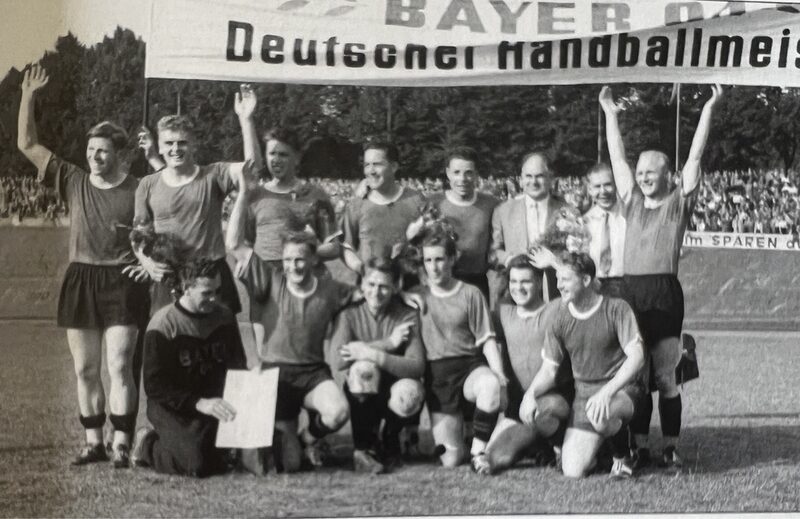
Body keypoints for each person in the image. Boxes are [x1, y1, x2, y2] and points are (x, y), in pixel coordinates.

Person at [17, 63, 148, 467]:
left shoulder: (136, 187)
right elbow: (26, 144)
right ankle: (93, 441)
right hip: (81, 277)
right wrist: (28, 96)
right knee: (86, 368)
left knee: (119, 365)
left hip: (122, 279)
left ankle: (121, 442)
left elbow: (149, 234)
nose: (94, 157)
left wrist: (147, 261)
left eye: (102, 151)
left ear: (117, 154)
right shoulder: (72, 179)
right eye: (91, 150)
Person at [600, 84, 722, 469]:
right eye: (641, 172)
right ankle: (637, 444)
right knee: (634, 378)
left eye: (652, 172)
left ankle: (669, 445)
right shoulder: (631, 200)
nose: (644, 177)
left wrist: (707, 109)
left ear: (669, 175)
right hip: (629, 292)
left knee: (666, 376)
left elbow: (695, 155)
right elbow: (617, 157)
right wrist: (609, 112)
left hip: (664, 294)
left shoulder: (678, 203)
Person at [228, 179, 353, 471]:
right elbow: (234, 244)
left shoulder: (330, 289)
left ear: (312, 259)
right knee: (289, 464)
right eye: (287, 260)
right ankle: (288, 441)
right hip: (276, 376)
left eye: (300, 260)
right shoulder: (270, 281)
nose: (293, 266)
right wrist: (244, 196)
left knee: (338, 413)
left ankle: (309, 436)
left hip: (312, 374)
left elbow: (370, 293)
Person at [133, 93, 256, 313]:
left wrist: (246, 120)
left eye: (182, 143)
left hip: (210, 273)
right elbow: (139, 236)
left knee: (217, 345)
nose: (175, 149)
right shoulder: (147, 184)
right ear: (159, 147)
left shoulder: (213, 175)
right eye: (169, 143)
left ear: (194, 145)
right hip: (169, 276)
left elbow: (251, 168)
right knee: (169, 343)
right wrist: (147, 263)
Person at [529, 252, 645, 478]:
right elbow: (550, 368)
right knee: (572, 470)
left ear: (585, 280)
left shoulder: (616, 309)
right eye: (558, 278)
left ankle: (623, 457)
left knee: (601, 414)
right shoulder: (560, 318)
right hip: (584, 396)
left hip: (622, 390)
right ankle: (600, 451)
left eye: (566, 279)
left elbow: (637, 357)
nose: (559, 285)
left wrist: (607, 392)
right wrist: (529, 395)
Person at [132, 258, 246, 477]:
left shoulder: (225, 317)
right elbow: (155, 386)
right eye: (206, 293)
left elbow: (237, 366)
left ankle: (211, 444)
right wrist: (197, 402)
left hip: (213, 402)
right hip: (173, 405)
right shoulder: (163, 324)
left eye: (217, 290)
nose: (214, 298)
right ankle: (146, 443)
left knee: (258, 449)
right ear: (186, 288)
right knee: (194, 464)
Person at [416, 229, 506, 473]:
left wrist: (499, 374)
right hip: (438, 375)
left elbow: (486, 338)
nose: (434, 267)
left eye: (439, 259)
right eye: (428, 260)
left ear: (452, 259)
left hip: (469, 367)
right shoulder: (417, 296)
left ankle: (479, 453)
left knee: (490, 386)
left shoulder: (470, 293)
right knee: (451, 459)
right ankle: (464, 429)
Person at [227, 86, 340, 269]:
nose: (276, 160)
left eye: (283, 155)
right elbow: (243, 243)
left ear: (297, 158)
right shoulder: (255, 196)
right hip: (266, 279)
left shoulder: (315, 195)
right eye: (272, 154)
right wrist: (246, 120)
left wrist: (304, 254)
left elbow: (334, 247)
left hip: (304, 277)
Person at [331, 257, 426, 474]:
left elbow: (417, 366)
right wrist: (388, 343)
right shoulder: (349, 313)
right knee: (363, 369)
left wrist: (370, 353)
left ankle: (391, 441)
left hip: (394, 387)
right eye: (371, 284)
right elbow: (338, 359)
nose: (376, 292)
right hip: (364, 390)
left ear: (395, 287)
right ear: (362, 285)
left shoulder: (407, 314)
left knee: (410, 391)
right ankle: (363, 449)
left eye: (384, 286)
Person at [483, 255, 573, 475]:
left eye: (525, 282)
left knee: (541, 413)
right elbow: (472, 313)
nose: (518, 288)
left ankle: (561, 445)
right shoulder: (504, 313)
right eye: (514, 282)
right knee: (495, 458)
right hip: (520, 407)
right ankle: (538, 446)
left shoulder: (555, 309)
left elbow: (579, 289)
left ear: (539, 282)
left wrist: (555, 264)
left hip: (552, 399)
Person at [491, 152, 568, 306]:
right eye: (528, 176)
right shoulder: (503, 211)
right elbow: (492, 252)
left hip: (557, 292)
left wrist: (554, 261)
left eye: (539, 176)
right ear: (521, 179)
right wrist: (509, 259)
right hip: (517, 294)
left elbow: (576, 254)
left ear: (550, 178)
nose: (533, 181)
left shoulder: (566, 212)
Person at [341, 141, 427, 278]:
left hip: (411, 286)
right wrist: (363, 270)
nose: (371, 171)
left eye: (377, 164)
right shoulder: (356, 205)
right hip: (372, 289)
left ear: (393, 167)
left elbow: (432, 244)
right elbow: (347, 247)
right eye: (367, 165)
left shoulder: (416, 200)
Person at [423, 146, 499, 300]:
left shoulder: (491, 204)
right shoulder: (433, 202)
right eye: (456, 172)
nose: (462, 179)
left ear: (476, 175)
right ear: (448, 173)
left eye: (468, 173)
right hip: (441, 280)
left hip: (477, 281)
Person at [583, 163, 626, 298]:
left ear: (616, 185)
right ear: (589, 190)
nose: (603, 191)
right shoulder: (584, 221)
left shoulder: (628, 216)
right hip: (595, 285)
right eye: (597, 186)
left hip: (626, 284)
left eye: (607, 184)